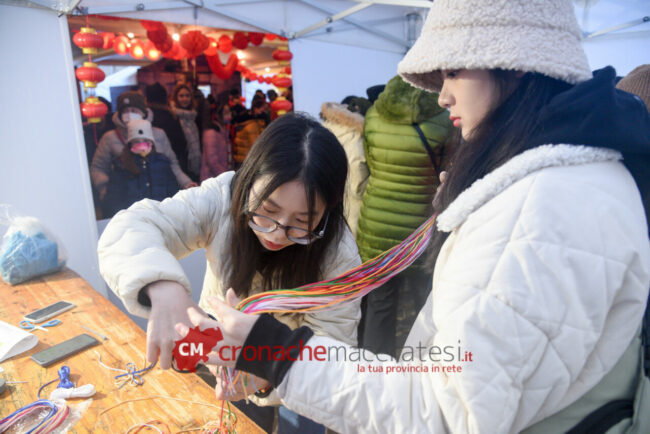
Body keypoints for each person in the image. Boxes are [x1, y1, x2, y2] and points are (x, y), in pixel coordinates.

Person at [178, 0, 650, 432]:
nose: (443, 96)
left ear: (514, 64)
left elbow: (446, 411)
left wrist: (274, 353)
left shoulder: (546, 207)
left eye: (454, 70)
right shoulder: (549, 188)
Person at [97, 113, 362, 433]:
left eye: (302, 223)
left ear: (327, 212)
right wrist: (163, 284)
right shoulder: (222, 197)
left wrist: (268, 374)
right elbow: (131, 226)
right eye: (267, 211)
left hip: (288, 376)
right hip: (215, 355)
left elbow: (333, 347)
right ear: (248, 180)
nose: (278, 234)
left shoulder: (337, 253)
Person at [356, 75, 452, 357]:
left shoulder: (373, 116)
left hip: (377, 221)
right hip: (420, 224)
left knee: (380, 300)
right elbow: (445, 172)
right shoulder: (444, 120)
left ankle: (373, 368)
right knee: (423, 300)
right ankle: (419, 366)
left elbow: (372, 163)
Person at [90, 90, 195, 217]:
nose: (129, 115)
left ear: (143, 112)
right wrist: (105, 188)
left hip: (158, 203)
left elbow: (172, 164)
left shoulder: (159, 134)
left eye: (134, 110)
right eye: (125, 111)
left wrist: (186, 183)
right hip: (127, 204)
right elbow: (97, 167)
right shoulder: (110, 138)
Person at [102, 119, 179, 217]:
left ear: (151, 142)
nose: (142, 145)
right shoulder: (121, 166)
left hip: (161, 218)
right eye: (137, 141)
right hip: (134, 220)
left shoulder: (162, 163)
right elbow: (113, 200)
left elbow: (173, 192)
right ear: (130, 144)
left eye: (146, 141)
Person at [320, 101, 368, 237]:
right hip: (352, 206)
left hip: (328, 202)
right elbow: (358, 184)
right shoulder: (354, 135)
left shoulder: (326, 128)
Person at [145, 82, 190, 176]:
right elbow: (181, 143)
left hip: (149, 164)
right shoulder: (171, 116)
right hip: (171, 164)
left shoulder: (144, 118)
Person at [171, 84, 202, 180]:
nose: (185, 99)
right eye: (181, 96)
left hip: (196, 162)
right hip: (181, 162)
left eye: (187, 95)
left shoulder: (194, 116)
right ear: (176, 97)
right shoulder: (173, 117)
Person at [200, 101, 233, 182]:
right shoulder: (211, 133)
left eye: (229, 112)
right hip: (212, 179)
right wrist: (226, 177)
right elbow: (212, 161)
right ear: (217, 115)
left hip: (220, 177)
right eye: (225, 113)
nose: (229, 116)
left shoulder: (224, 131)